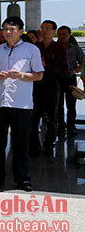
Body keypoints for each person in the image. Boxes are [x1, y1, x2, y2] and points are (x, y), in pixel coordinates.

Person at [0, 16, 44, 192]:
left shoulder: (31, 49)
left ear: (20, 31)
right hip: (0, 103)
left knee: (21, 144)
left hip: (22, 103)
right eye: (5, 29)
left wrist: (22, 75)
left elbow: (39, 75)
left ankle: (22, 179)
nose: (8, 32)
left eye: (12, 29)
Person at [32, 20, 69, 155]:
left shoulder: (59, 48)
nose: (44, 30)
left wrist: (45, 66)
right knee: (34, 116)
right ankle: (34, 144)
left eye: (47, 28)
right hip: (36, 85)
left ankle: (50, 142)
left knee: (52, 117)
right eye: (42, 28)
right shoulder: (36, 47)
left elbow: (64, 69)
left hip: (52, 85)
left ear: (54, 31)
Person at [56, 26, 83, 136]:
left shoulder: (75, 48)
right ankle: (61, 126)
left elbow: (82, 62)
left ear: (69, 35)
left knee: (71, 104)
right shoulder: (54, 47)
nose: (61, 36)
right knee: (58, 104)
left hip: (70, 77)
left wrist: (73, 71)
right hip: (57, 78)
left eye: (64, 34)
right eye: (59, 34)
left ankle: (71, 126)